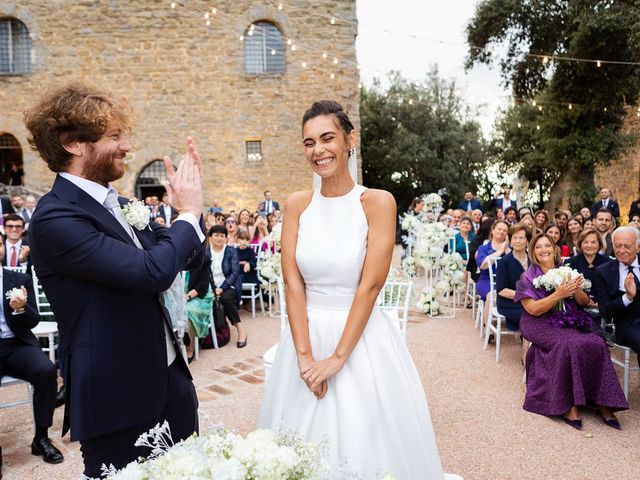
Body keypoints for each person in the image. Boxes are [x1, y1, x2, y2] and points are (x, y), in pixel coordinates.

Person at [258, 100, 454, 479]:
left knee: (367, 444)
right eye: (309, 142)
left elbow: (370, 285)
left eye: (327, 138)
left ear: (349, 140)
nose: (318, 150)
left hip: (360, 338)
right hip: (304, 336)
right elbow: (292, 282)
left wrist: (335, 359)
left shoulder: (377, 202)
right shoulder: (298, 205)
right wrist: (304, 358)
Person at [24, 82, 206, 477]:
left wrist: (188, 212)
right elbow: (153, 271)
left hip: (170, 382)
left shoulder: (122, 205)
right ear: (74, 143)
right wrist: (188, 215)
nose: (126, 146)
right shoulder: (55, 219)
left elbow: (187, 254)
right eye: (114, 137)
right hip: (117, 398)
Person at [515, 233, 628, 430]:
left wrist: (575, 288)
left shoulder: (566, 270)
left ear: (554, 249)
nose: (544, 250)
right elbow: (532, 309)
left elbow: (584, 302)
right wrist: (557, 295)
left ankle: (600, 400)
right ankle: (568, 403)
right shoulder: (527, 277)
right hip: (538, 322)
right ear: (533, 251)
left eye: (547, 246)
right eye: (538, 247)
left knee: (596, 342)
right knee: (567, 344)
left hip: (569, 317)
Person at [0, 234, 63, 465]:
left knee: (46, 371)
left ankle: (42, 438)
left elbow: (34, 320)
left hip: (17, 344)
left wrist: (21, 308)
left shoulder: (19, 279)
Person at [595, 226, 640, 364]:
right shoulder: (603, 272)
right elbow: (605, 309)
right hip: (627, 324)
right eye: (617, 246)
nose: (621, 251)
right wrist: (628, 297)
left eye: (627, 246)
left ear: (638, 247)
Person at [208, 225, 246, 348]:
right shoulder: (206, 252)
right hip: (210, 286)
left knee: (225, 298)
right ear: (210, 237)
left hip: (229, 285)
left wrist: (221, 288)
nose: (219, 238)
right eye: (216, 235)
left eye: (222, 236)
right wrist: (213, 289)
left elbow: (234, 273)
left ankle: (240, 329)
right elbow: (204, 273)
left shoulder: (230, 250)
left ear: (226, 238)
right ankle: (215, 331)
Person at [496, 224, 531, 331]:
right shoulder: (504, 261)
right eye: (514, 238)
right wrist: (525, 295)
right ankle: (529, 346)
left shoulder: (534, 260)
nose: (518, 241)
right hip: (510, 303)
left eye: (521, 238)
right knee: (531, 317)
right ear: (510, 241)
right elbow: (501, 290)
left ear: (528, 241)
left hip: (531, 301)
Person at [565, 229, 610, 309]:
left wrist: (600, 303)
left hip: (603, 308)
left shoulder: (608, 262)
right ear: (580, 244)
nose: (589, 245)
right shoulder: (570, 263)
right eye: (586, 242)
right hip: (577, 308)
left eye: (593, 242)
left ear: (599, 244)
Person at [184, 249, 213, 362]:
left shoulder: (203, 258)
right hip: (180, 295)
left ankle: (189, 348)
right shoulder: (175, 259)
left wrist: (187, 297)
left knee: (187, 311)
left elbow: (203, 285)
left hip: (200, 297)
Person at [476, 220, 510, 301]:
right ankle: (489, 314)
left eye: (505, 230)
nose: (502, 231)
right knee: (493, 297)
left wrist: (507, 248)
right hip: (487, 281)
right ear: (493, 230)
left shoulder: (511, 250)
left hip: (506, 282)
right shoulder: (483, 248)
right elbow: (483, 266)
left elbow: (515, 265)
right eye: (499, 229)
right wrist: (500, 251)